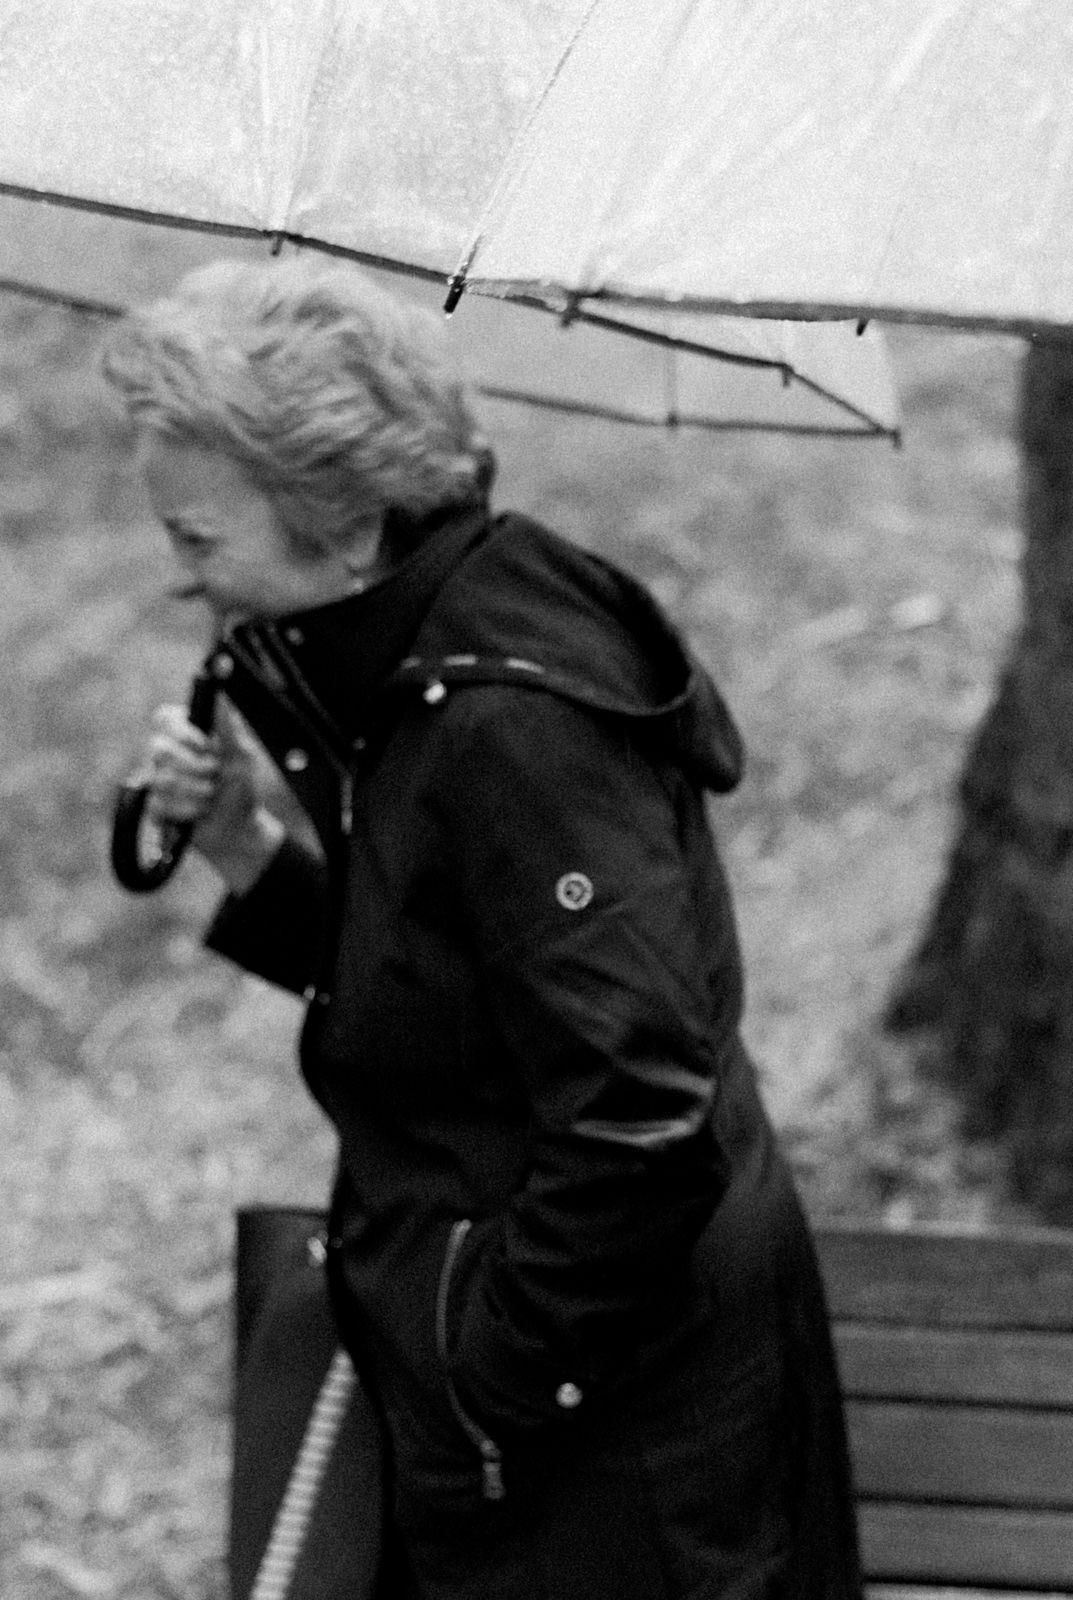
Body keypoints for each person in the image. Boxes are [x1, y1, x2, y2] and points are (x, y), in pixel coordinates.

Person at [106, 256, 862, 1600]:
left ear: (346, 523)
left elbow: (637, 1113)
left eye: (199, 540)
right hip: (529, 1423)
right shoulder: (408, 666)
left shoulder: (515, 724)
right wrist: (248, 852)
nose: (181, 582)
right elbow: (449, 992)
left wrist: (490, 1373)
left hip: (620, 1452)